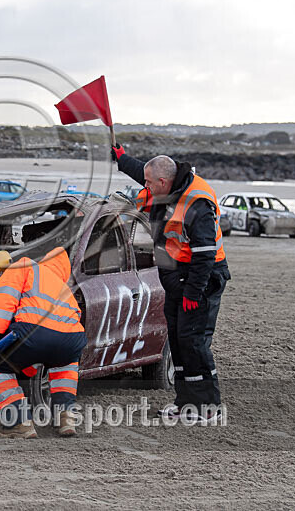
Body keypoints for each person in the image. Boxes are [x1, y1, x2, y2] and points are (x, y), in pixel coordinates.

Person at [112, 146, 229, 421]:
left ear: (163, 183)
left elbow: (205, 254)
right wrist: (122, 159)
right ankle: (186, 402)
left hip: (202, 277)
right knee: (177, 340)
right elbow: (147, 173)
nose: (146, 188)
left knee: (194, 342)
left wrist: (193, 292)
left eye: (150, 185)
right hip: (178, 276)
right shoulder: (166, 183)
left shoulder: (197, 203)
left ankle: (207, 406)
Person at [0, 247, 87, 438]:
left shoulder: (25, 266)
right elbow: (64, 331)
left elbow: (2, 303)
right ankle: (66, 417)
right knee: (64, 366)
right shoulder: (65, 289)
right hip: (72, 340)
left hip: (33, 332)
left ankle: (18, 422)